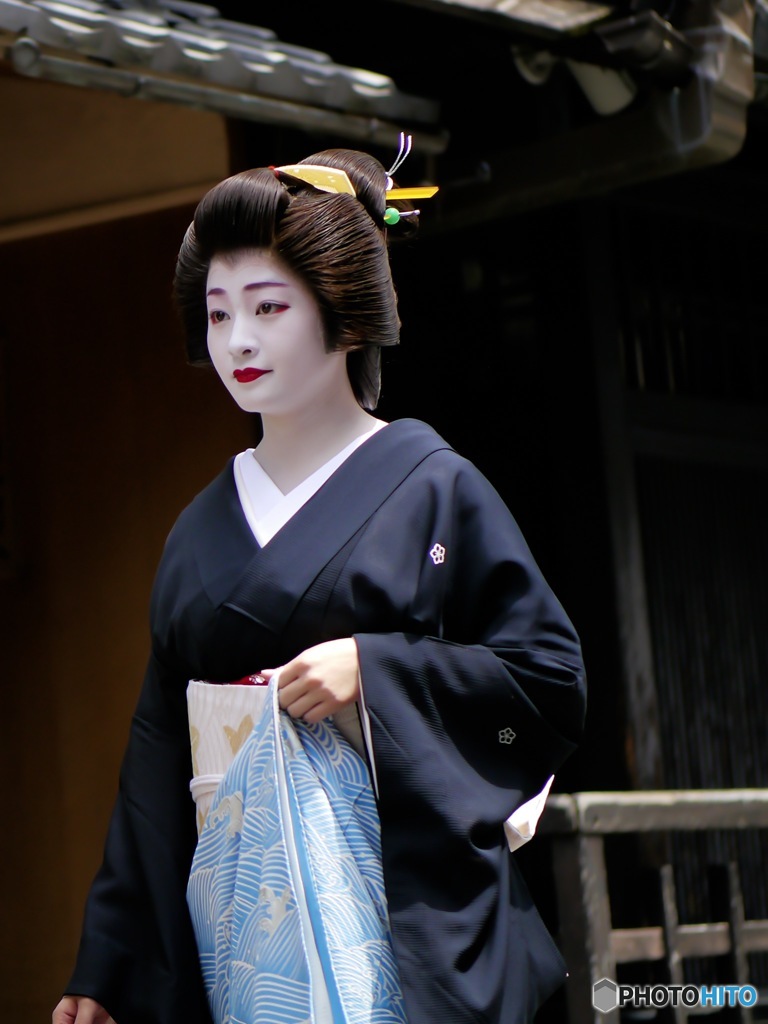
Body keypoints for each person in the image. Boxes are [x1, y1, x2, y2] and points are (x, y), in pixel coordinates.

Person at [53, 141, 587, 1024]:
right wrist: (109, 962)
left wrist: (376, 671)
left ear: (342, 314)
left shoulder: (432, 484)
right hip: (243, 932)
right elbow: (156, 755)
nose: (239, 341)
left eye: (268, 307)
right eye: (219, 314)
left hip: (397, 913)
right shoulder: (198, 528)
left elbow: (546, 678)